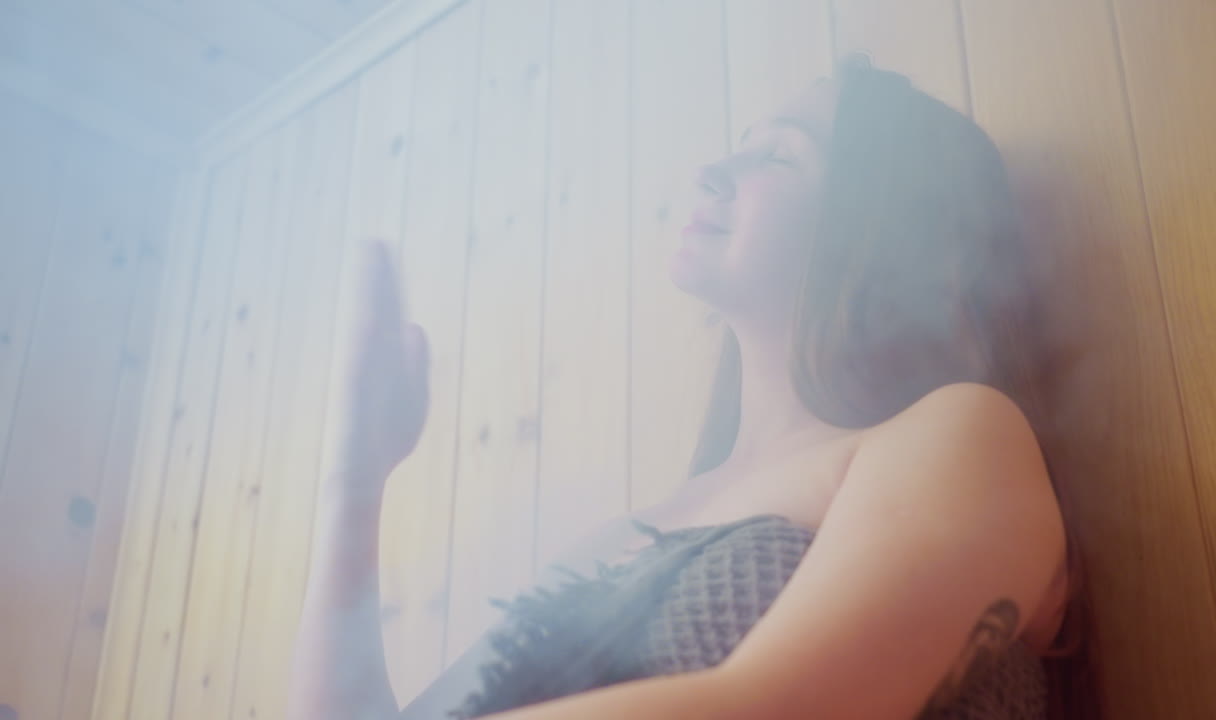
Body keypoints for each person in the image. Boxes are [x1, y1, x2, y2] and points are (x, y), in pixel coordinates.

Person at [286, 54, 1095, 720]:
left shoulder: (958, 437)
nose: (714, 169)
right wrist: (353, 481)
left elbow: (774, 709)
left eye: (778, 153)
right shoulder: (628, 536)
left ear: (890, 227)